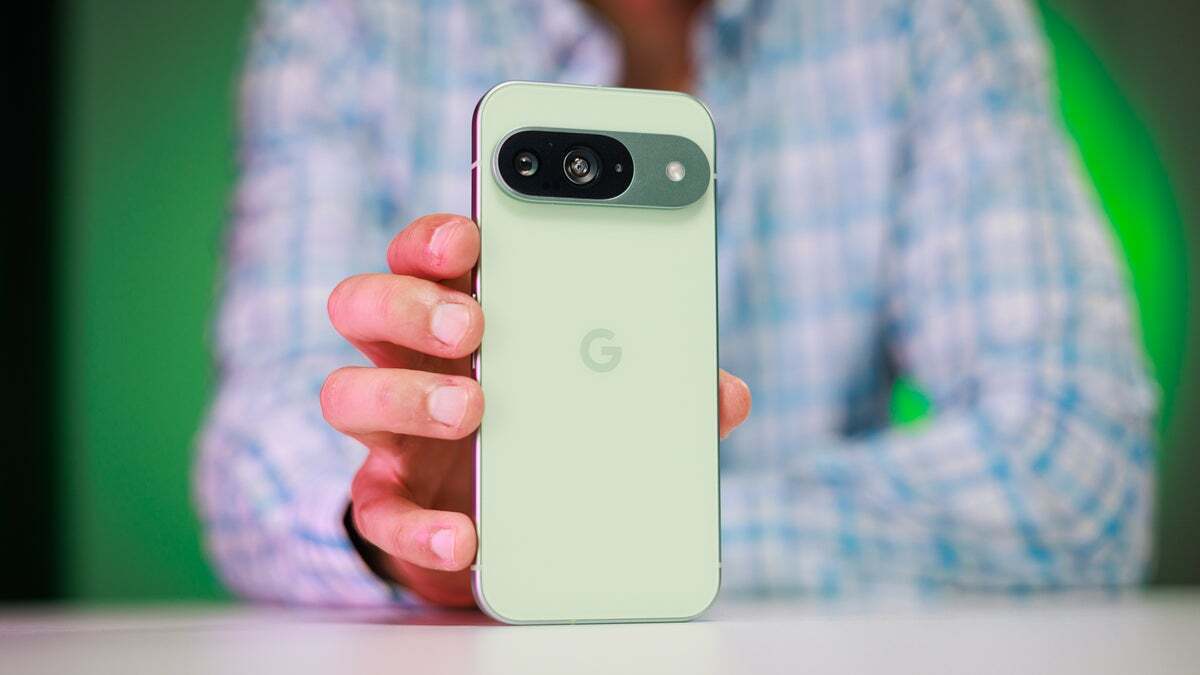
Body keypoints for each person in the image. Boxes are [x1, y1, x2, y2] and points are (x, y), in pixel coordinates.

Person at [197, 0, 1156, 606]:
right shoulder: (352, 23)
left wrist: (609, 537)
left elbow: (1074, 478)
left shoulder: (931, 18)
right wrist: (408, 541)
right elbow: (257, 453)